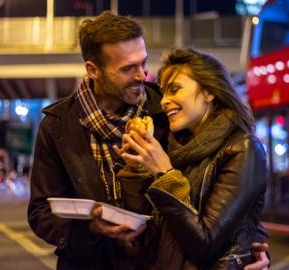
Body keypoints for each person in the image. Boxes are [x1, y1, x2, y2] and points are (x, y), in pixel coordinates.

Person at [28, 11, 270, 270]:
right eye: (127, 68)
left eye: (143, 63)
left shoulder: (165, 111)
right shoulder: (58, 125)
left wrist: (251, 247)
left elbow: (219, 193)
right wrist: (91, 227)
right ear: (93, 70)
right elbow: (41, 213)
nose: (143, 75)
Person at [117, 48, 269, 269]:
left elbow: (204, 243)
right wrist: (136, 173)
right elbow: (147, 235)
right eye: (163, 92)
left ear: (208, 92)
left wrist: (165, 175)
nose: (164, 101)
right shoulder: (172, 147)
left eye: (174, 89)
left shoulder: (243, 148)